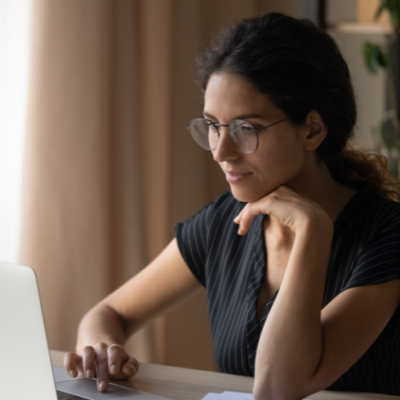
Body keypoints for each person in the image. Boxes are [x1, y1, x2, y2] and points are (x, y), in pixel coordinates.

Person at [64, 12, 400, 399]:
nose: (221, 151)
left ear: (312, 129)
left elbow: (279, 386)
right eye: (212, 126)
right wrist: (103, 348)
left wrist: (312, 230)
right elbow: (108, 314)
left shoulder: (386, 236)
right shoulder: (225, 220)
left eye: (246, 129)